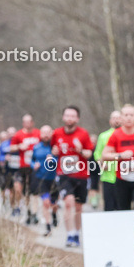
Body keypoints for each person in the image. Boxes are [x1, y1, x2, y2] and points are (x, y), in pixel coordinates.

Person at [101, 104, 134, 261]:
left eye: (132, 115)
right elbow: (105, 155)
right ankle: (126, 244)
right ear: (121, 118)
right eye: (126, 115)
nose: (129, 117)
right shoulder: (116, 135)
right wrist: (120, 155)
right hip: (122, 180)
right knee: (123, 214)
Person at [51, 105, 93, 247]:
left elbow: (89, 154)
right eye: (67, 115)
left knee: (78, 206)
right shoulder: (56, 133)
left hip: (81, 175)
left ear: (77, 118)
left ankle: (76, 233)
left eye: (72, 116)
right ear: (63, 117)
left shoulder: (83, 134)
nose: (69, 118)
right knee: (68, 203)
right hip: (64, 175)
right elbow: (53, 151)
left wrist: (81, 150)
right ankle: (69, 235)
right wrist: (54, 152)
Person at [10, 114, 40, 225]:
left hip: (35, 167)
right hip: (22, 167)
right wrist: (19, 147)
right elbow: (11, 147)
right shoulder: (18, 135)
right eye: (25, 122)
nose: (27, 124)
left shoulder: (38, 133)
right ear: (23, 123)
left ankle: (35, 214)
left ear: (32, 123)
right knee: (23, 191)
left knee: (34, 192)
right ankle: (28, 212)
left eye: (29, 122)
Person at [30, 125, 57, 235]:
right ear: (40, 134)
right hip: (41, 178)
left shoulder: (56, 148)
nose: (45, 135)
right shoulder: (36, 147)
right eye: (43, 133)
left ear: (52, 133)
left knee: (54, 204)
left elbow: (62, 161)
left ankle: (54, 215)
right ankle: (48, 227)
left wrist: (53, 160)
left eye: (48, 132)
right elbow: (32, 160)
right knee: (45, 202)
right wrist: (33, 165)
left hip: (55, 178)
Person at [93, 110, 122, 211]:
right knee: (109, 207)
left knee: (122, 207)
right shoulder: (103, 136)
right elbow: (97, 153)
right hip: (108, 177)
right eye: (114, 118)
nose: (116, 120)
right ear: (110, 121)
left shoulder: (126, 135)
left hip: (124, 177)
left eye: (118, 118)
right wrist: (101, 163)